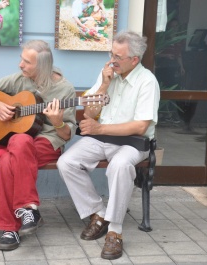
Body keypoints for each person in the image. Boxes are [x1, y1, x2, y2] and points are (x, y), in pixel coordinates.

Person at [57, 31, 160, 260]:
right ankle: (99, 213)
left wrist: (100, 129)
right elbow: (90, 113)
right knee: (66, 162)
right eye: (111, 54)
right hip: (102, 138)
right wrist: (104, 85)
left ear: (135, 59)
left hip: (133, 143)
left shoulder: (147, 81)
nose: (112, 60)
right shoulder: (108, 74)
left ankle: (115, 231)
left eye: (118, 56)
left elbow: (140, 126)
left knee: (120, 166)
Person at [0, 40, 77, 251]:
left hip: (47, 141)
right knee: (19, 140)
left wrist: (57, 122)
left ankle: (8, 227)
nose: (21, 65)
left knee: (8, 160)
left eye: (27, 62)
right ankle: (28, 208)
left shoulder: (64, 90)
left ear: (42, 66)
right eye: (22, 59)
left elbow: (66, 135)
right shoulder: (20, 80)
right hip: (21, 142)